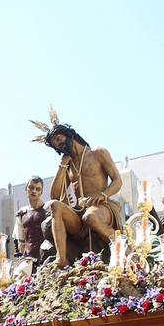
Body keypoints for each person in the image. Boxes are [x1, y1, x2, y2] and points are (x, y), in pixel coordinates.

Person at [31, 112, 124, 266]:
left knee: (91, 217)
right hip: (80, 211)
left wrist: (103, 195)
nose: (58, 144)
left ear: (69, 135)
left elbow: (118, 181)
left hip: (102, 205)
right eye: (55, 144)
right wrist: (62, 166)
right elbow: (55, 195)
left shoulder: (98, 153)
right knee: (55, 206)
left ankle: (122, 246)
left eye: (58, 139)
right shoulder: (68, 166)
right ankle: (62, 259)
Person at [13, 176, 54, 265]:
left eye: (38, 189)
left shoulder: (49, 210)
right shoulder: (21, 214)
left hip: (46, 260)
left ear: (41, 192)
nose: (34, 191)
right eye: (31, 187)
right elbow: (21, 243)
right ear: (26, 189)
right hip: (28, 261)